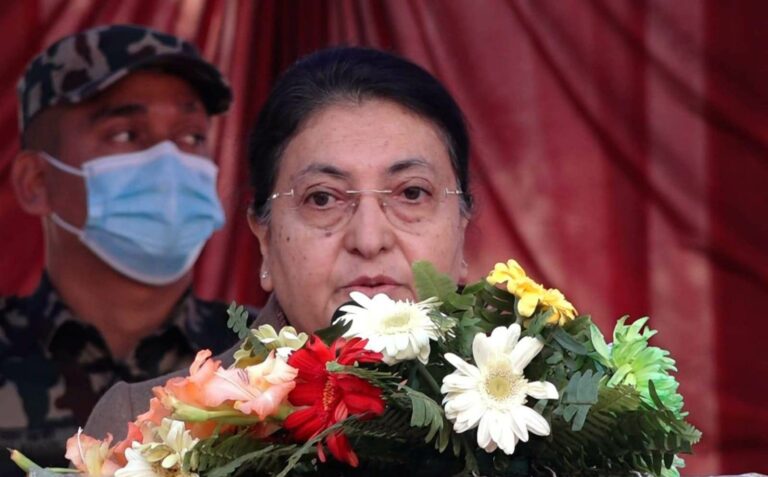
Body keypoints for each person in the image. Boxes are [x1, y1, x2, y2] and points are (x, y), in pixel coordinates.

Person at [84, 45, 473, 444]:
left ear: (462, 224)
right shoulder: (146, 428)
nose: (369, 240)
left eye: (411, 193)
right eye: (322, 198)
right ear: (265, 239)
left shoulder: (517, 412)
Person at [0, 24, 249, 471]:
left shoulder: (263, 356)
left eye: (191, 136)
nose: (169, 163)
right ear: (36, 182)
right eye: (125, 135)